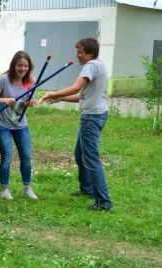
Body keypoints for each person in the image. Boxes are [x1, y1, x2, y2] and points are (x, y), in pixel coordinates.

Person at [39, 37, 113, 211]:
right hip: (95, 115)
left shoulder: (91, 66)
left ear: (91, 53)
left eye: (80, 52)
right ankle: (86, 189)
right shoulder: (98, 65)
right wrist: (60, 98)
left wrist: (51, 93)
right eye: (77, 52)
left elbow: (76, 88)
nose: (78, 55)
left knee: (91, 159)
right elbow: (82, 96)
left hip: (92, 118)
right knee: (80, 154)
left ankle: (104, 201)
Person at [0, 51, 38, 200]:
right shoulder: (4, 79)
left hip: (20, 124)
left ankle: (27, 187)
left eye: (26, 66)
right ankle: (4, 189)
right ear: (13, 65)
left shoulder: (30, 80)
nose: (23, 69)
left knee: (26, 157)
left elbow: (29, 99)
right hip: (2, 123)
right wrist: (5, 100)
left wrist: (30, 102)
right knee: (7, 156)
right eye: (19, 65)